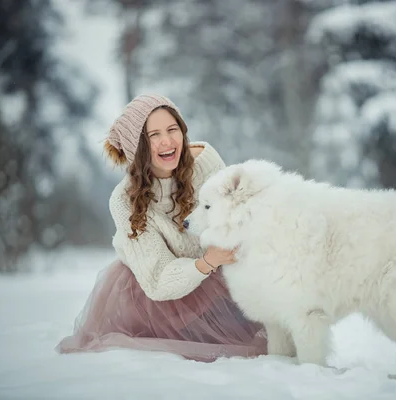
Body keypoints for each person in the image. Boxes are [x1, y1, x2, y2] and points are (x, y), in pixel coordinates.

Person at [56, 94, 266, 362]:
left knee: (262, 332)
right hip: (158, 298)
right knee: (195, 349)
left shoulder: (205, 162)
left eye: (172, 129)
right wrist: (206, 262)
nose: (167, 141)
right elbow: (158, 279)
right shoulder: (124, 201)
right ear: (138, 147)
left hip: (215, 280)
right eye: (153, 135)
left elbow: (236, 217)